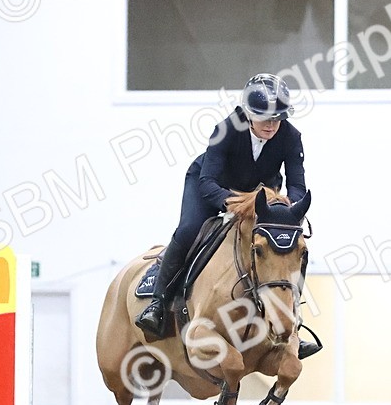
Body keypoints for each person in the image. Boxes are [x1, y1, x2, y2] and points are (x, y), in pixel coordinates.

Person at [135, 73, 319, 358]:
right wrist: (237, 204)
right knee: (188, 230)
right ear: (248, 113)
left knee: (291, 247)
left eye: (278, 118)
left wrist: (287, 209)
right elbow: (208, 182)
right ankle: (158, 303)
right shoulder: (226, 129)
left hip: (261, 196)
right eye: (264, 118)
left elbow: (297, 184)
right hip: (213, 188)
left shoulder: (291, 137)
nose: (272, 125)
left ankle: (293, 321)